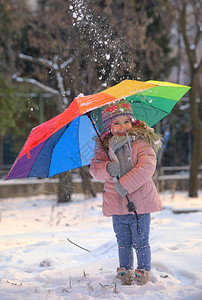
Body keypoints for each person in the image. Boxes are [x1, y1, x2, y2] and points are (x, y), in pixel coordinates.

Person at [89, 99, 163, 286]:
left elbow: (146, 167)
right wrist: (107, 167)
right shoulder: (104, 148)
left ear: (132, 122)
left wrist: (125, 184)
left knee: (140, 240)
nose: (122, 127)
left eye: (126, 122)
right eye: (116, 123)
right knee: (122, 241)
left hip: (139, 203)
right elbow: (94, 169)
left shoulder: (141, 143)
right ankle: (125, 269)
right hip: (117, 204)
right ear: (109, 127)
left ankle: (143, 270)